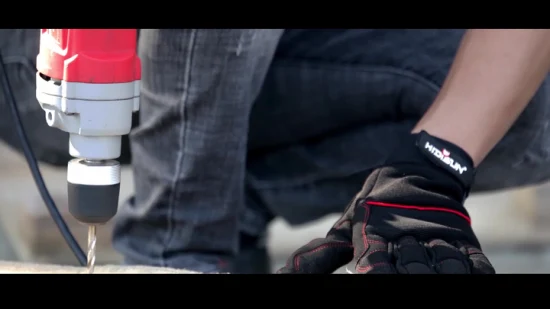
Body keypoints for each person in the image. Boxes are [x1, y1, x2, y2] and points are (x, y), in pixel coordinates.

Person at [1, 29, 550, 273]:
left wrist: (435, 167)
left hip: (291, 53)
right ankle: (175, 251)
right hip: (48, 63)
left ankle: (230, 200)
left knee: (532, 106)